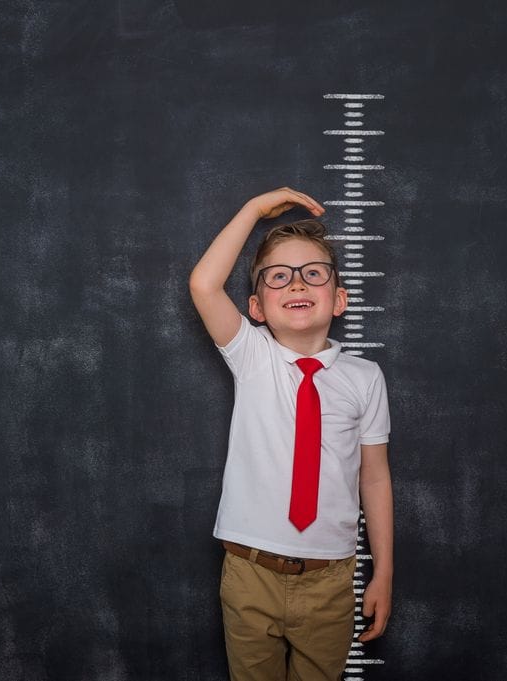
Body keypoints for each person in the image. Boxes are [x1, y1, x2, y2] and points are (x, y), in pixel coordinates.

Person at [189, 187, 393, 681]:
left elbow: (374, 478)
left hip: (331, 578)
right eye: (278, 276)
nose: (297, 283)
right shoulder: (252, 355)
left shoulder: (365, 378)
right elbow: (204, 284)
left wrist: (383, 572)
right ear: (257, 307)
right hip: (250, 572)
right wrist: (253, 210)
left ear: (339, 299)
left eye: (313, 273)